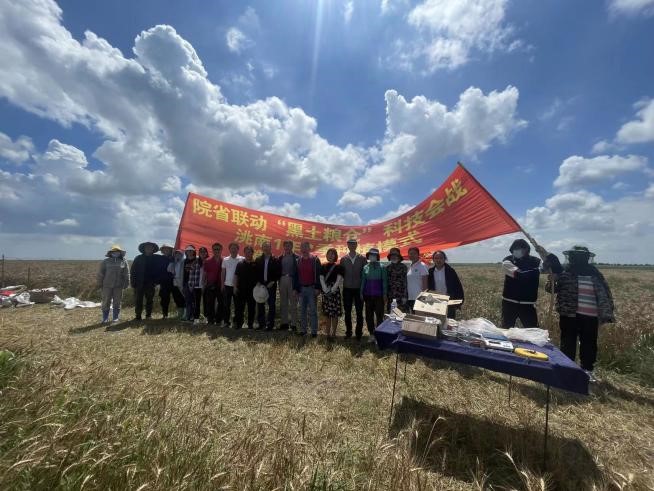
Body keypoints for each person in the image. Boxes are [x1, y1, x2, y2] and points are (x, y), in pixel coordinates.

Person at [543, 245, 614, 382]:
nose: (578, 259)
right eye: (576, 256)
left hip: (591, 316)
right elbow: (551, 289)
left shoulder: (595, 274)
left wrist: (606, 312)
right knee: (567, 342)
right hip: (569, 314)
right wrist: (552, 279)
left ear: (587, 258)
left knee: (589, 344)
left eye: (581, 256)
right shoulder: (565, 273)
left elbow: (605, 294)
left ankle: (587, 370)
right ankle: (567, 369)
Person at [501, 238, 544, 328]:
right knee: (506, 331)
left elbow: (553, 268)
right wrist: (539, 270)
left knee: (533, 331)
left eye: (519, 248)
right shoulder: (507, 261)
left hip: (528, 305)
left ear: (526, 249)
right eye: (514, 249)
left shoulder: (536, 261)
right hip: (509, 303)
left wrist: (546, 256)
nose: (516, 251)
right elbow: (520, 275)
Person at [293, 241, 322, 337]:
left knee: (313, 311)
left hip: (312, 288)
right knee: (302, 311)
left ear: (309, 248)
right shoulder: (298, 260)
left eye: (306, 247)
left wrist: (318, 288)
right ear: (300, 249)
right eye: (302, 247)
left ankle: (314, 331)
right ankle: (303, 330)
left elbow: (318, 275)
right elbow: (296, 276)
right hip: (301, 289)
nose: (304, 249)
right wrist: (295, 289)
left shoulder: (315, 260)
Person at [340, 238, 367, 339]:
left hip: (359, 289)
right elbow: (341, 274)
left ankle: (359, 333)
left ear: (356, 245)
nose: (352, 246)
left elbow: (365, 274)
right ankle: (348, 332)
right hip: (347, 288)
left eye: (354, 244)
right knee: (347, 312)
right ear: (347, 245)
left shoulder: (362, 258)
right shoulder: (343, 259)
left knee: (359, 312)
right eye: (350, 244)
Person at [360, 248, 387, 342]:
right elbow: (363, 281)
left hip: (379, 296)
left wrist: (385, 294)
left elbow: (384, 281)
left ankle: (378, 335)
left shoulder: (382, 267)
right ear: (368, 256)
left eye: (374, 255)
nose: (372, 256)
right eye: (371, 255)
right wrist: (361, 292)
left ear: (377, 256)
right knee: (369, 316)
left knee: (379, 315)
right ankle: (371, 334)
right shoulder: (365, 267)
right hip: (368, 295)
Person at [97, 244, 130, 323]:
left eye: (117, 251)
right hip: (107, 285)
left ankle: (115, 317)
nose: (115, 253)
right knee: (106, 301)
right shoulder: (106, 261)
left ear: (120, 252)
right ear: (111, 253)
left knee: (117, 301)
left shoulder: (123, 261)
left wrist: (127, 282)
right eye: (114, 251)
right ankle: (105, 318)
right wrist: (99, 283)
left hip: (119, 285)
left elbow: (126, 273)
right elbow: (101, 273)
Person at [428, 250, 465, 319]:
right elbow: (427, 288)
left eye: (441, 258)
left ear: (444, 259)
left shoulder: (450, 271)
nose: (438, 260)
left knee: (449, 322)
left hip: (449, 301)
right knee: (435, 321)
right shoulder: (430, 272)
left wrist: (459, 302)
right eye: (436, 258)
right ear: (433, 260)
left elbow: (458, 287)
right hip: (435, 301)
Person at [131, 241, 160, 320]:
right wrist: (133, 283)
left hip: (151, 283)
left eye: (150, 247)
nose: (149, 248)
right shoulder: (138, 258)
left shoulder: (156, 258)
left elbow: (159, 270)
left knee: (150, 300)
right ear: (144, 249)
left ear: (153, 249)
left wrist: (157, 281)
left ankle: (148, 315)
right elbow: (133, 271)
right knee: (138, 300)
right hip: (139, 283)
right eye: (147, 247)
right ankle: (138, 316)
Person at [255, 242, 281, 330]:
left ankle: (270, 324)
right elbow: (256, 272)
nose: (266, 248)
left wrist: (273, 281)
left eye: (267, 247)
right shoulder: (258, 259)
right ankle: (261, 324)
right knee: (260, 304)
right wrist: (258, 281)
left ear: (271, 248)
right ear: (262, 248)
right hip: (261, 285)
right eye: (264, 247)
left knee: (271, 305)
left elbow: (278, 272)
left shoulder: (275, 259)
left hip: (271, 285)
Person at [319, 248, 344, 339]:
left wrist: (332, 290)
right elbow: (321, 278)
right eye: (329, 254)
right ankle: (328, 334)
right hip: (326, 292)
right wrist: (325, 289)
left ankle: (333, 333)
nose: (330, 255)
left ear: (335, 256)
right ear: (326, 255)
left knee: (335, 314)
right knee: (327, 314)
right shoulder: (323, 266)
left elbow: (339, 280)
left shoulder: (339, 267)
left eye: (332, 254)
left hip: (335, 292)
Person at [157, 244, 185, 319]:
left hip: (175, 282)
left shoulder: (175, 257)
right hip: (164, 282)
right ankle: (165, 314)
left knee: (178, 297)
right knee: (164, 298)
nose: (166, 250)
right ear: (162, 251)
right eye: (164, 249)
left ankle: (181, 314)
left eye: (168, 249)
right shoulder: (159, 259)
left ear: (171, 250)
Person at [233, 245, 257, 329]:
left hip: (252, 290)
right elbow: (236, 276)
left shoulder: (255, 264)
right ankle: (239, 323)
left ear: (252, 253)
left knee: (251, 308)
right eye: (246, 252)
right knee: (240, 308)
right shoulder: (240, 264)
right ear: (244, 253)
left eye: (249, 252)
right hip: (241, 289)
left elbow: (258, 277)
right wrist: (235, 287)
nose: (247, 254)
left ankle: (250, 324)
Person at [221, 242, 244, 328]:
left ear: (238, 249)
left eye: (235, 248)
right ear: (229, 249)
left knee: (238, 305)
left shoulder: (242, 259)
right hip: (227, 285)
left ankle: (236, 322)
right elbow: (223, 273)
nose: (233, 250)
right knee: (226, 305)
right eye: (232, 248)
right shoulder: (225, 259)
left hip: (237, 286)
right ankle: (226, 321)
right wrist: (222, 284)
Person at [278, 240, 299, 331]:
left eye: (289, 245)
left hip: (292, 280)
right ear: (283, 247)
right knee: (283, 303)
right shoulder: (280, 257)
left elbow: (298, 273)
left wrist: (297, 287)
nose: (287, 247)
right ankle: (284, 323)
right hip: (282, 279)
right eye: (286, 246)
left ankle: (294, 324)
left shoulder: (297, 257)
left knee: (293, 303)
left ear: (292, 247)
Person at [203, 243, 224, 325]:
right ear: (212, 250)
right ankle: (210, 319)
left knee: (221, 303)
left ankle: (218, 320)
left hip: (221, 285)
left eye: (218, 249)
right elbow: (204, 274)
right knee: (210, 303)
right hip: (210, 284)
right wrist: (203, 285)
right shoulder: (207, 261)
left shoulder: (224, 260)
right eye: (215, 249)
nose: (216, 251)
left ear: (221, 250)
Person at [181, 245, 203, 323]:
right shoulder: (184, 261)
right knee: (188, 300)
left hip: (195, 283)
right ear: (186, 252)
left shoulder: (197, 260)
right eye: (188, 251)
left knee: (195, 301)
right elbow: (182, 273)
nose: (189, 252)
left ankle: (194, 316)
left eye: (191, 251)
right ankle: (188, 316)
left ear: (194, 252)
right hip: (186, 283)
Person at [406, 247, 428, 312]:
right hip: (411, 297)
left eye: (414, 253)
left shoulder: (422, 266)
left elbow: (425, 284)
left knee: (419, 316)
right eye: (410, 254)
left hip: (419, 298)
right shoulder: (410, 266)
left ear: (418, 254)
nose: (412, 255)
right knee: (413, 315)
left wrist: (424, 297)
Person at [385, 247, 407, 312]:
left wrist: (405, 296)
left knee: (400, 315)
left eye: (395, 255)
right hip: (390, 297)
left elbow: (405, 282)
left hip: (400, 297)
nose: (394, 257)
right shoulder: (387, 268)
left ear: (399, 257)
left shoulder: (403, 267)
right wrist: (385, 296)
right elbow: (386, 283)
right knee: (390, 315)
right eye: (392, 255)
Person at [168, 249, 187, 319]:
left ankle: (186, 314)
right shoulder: (174, 263)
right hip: (175, 283)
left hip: (182, 283)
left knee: (184, 298)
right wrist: (173, 261)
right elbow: (168, 269)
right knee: (177, 298)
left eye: (179, 254)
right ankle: (180, 314)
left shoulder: (184, 262)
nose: (177, 255)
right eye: (176, 254)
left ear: (182, 255)